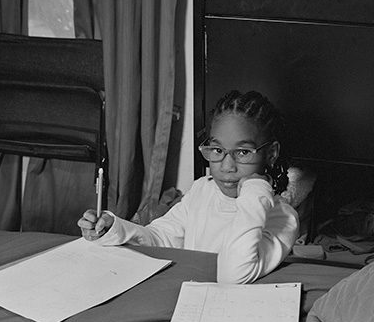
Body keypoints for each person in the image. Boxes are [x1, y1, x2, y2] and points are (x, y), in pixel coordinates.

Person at [78, 90, 299, 284]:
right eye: (217, 150)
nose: (227, 166)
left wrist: (256, 189)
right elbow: (160, 239)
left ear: (270, 153)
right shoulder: (203, 190)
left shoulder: (283, 219)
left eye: (243, 152)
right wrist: (113, 229)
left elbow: (233, 274)